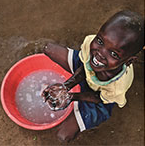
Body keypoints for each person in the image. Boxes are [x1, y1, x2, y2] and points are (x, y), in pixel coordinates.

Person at [42, 10, 144, 142]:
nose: (100, 53)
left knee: (64, 135)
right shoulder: (91, 44)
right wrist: (66, 86)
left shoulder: (117, 86)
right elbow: (86, 67)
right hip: (86, 71)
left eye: (114, 54)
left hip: (98, 99)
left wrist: (71, 97)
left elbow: (98, 98)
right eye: (100, 41)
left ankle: (83, 123)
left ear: (129, 61)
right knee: (48, 48)